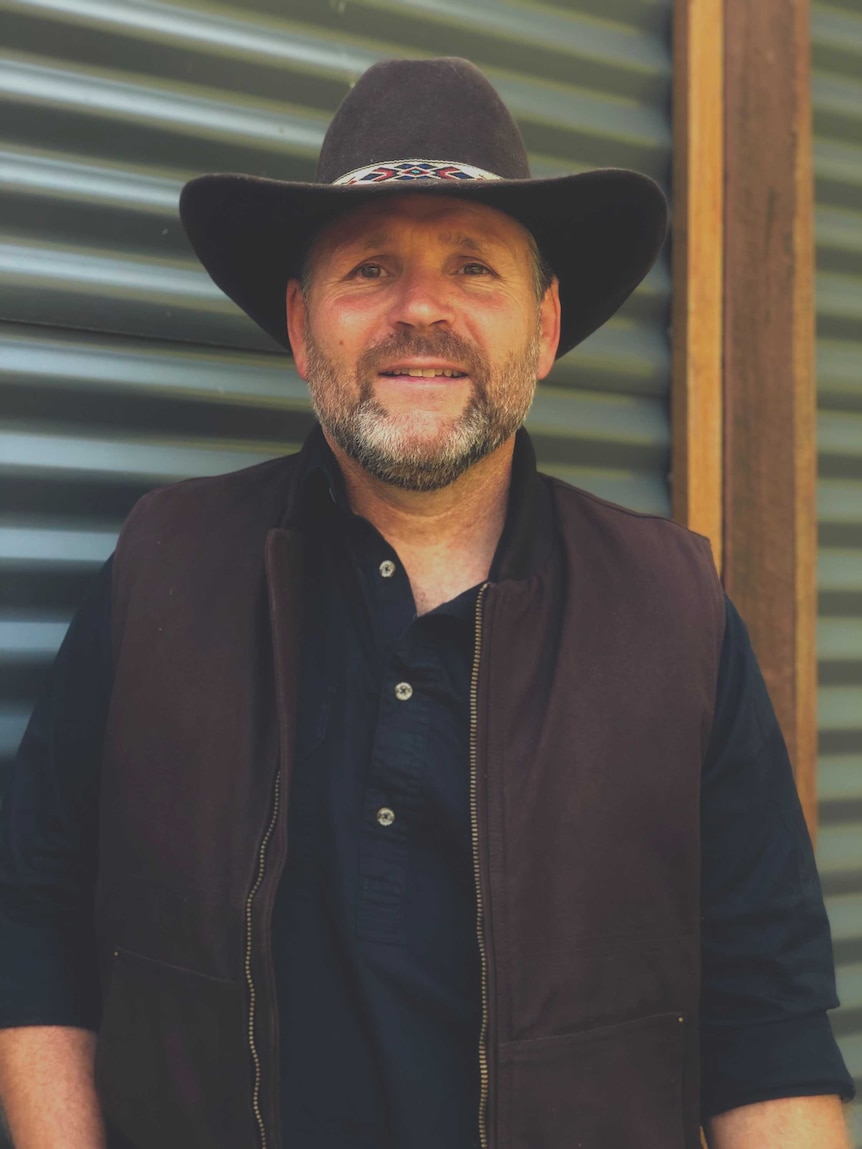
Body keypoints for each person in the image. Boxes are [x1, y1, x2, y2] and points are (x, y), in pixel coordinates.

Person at [0, 56, 854, 1149]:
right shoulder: (162, 565)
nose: (421, 310)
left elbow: (766, 1029)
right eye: (368, 269)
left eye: (472, 267)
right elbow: (36, 921)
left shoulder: (674, 613)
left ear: (542, 331)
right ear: (304, 331)